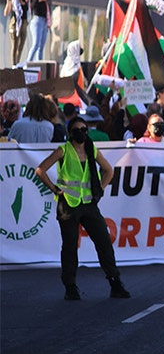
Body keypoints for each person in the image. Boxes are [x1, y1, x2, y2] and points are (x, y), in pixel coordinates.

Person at [34, 116, 132, 300]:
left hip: (88, 204)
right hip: (68, 206)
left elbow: (109, 171)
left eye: (84, 129)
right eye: (77, 130)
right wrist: (55, 190)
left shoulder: (91, 149)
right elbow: (40, 170)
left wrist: (100, 189)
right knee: (70, 246)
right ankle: (70, 287)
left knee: (103, 241)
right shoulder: (63, 150)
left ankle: (115, 282)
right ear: (70, 133)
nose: (81, 133)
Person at [5, 0, 28, 65]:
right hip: (15, 24)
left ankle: (18, 61)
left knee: (21, 45)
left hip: (24, 24)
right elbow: (6, 13)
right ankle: (13, 63)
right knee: (15, 44)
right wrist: (8, 3)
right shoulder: (14, 1)